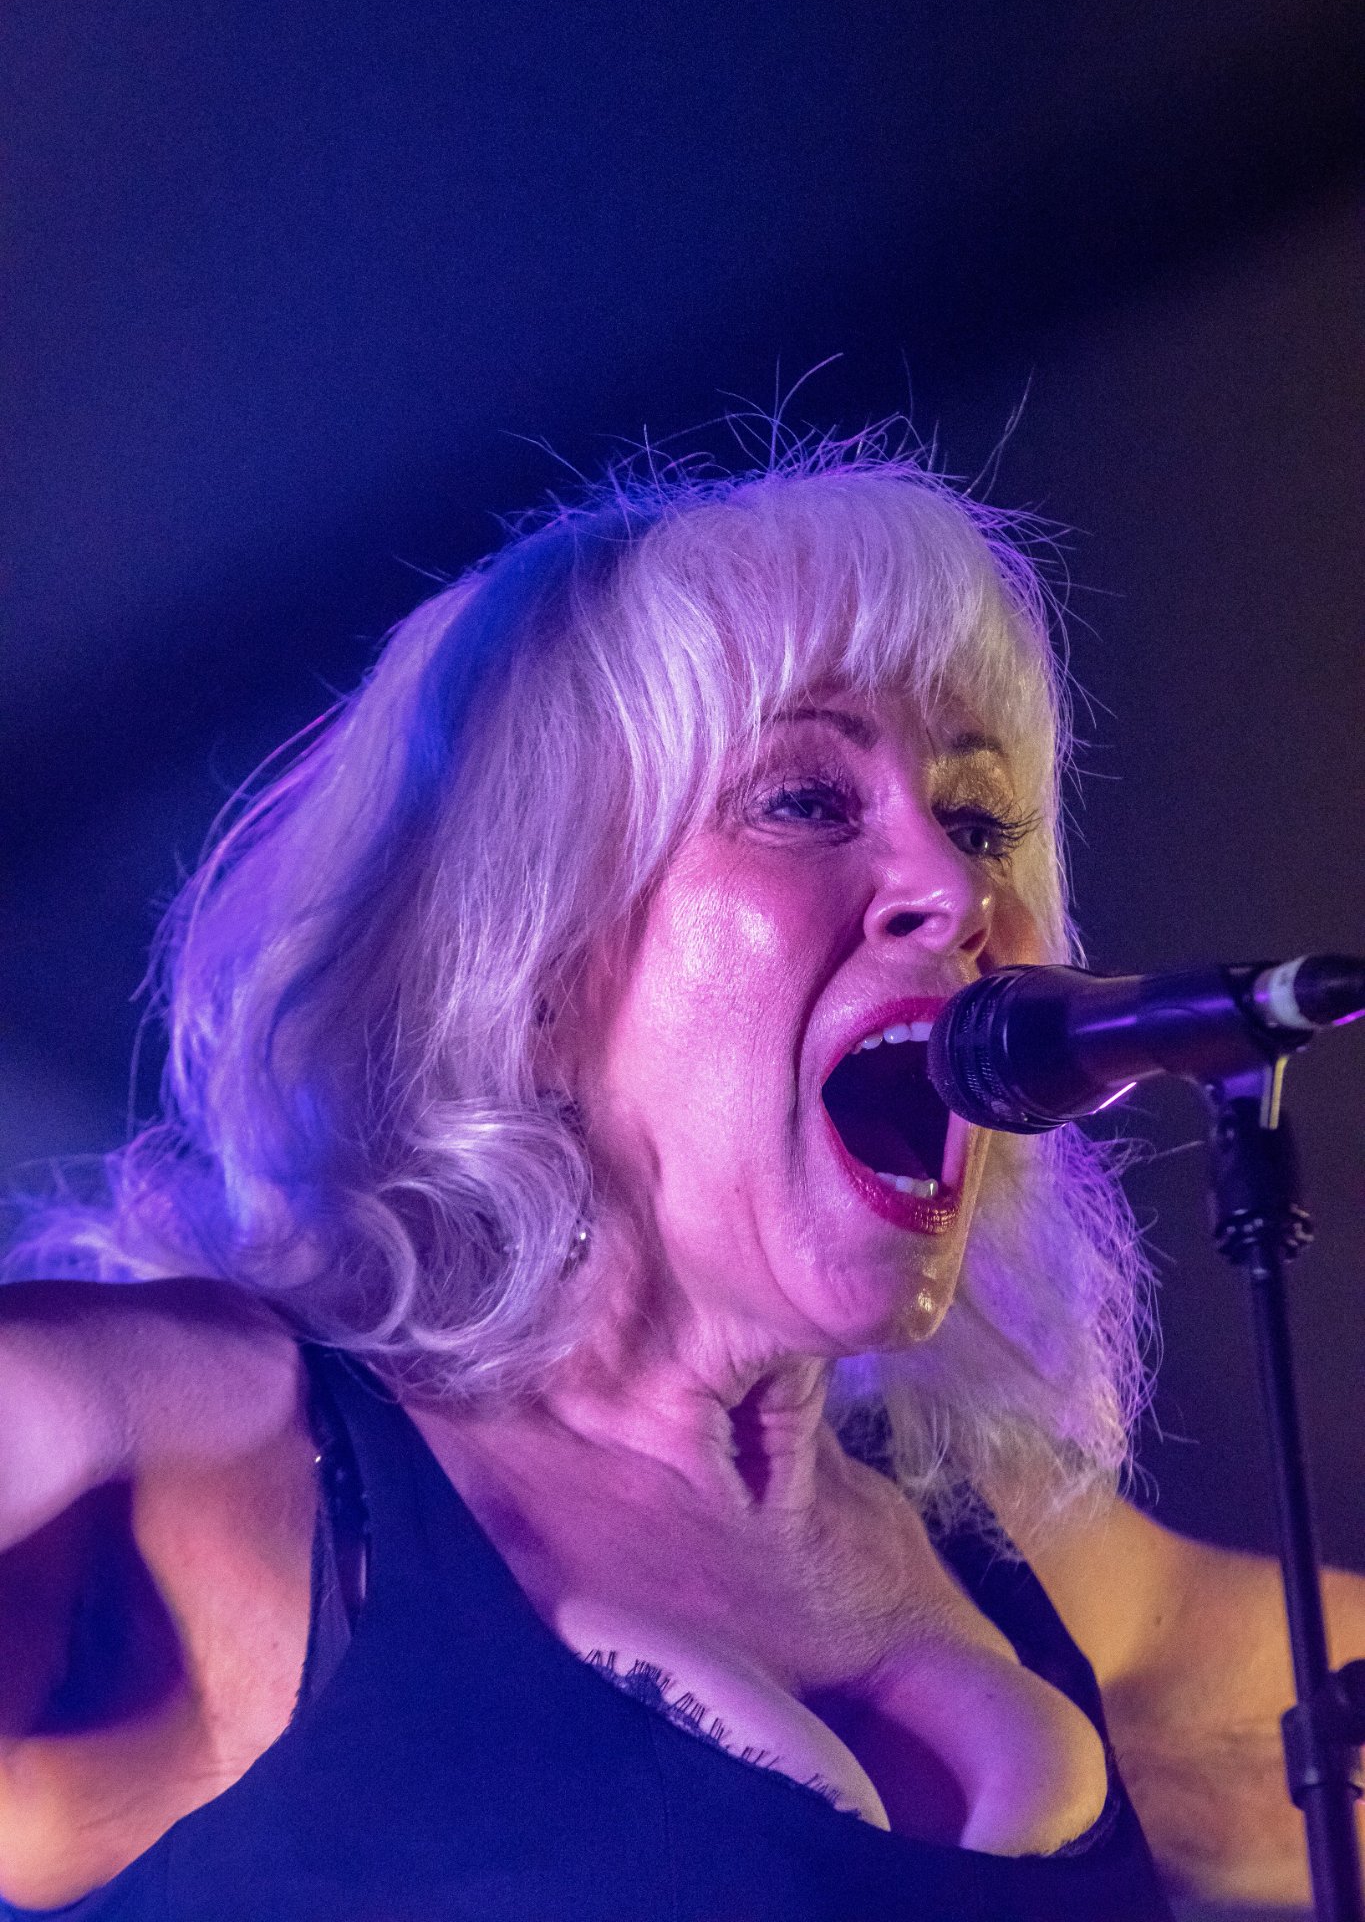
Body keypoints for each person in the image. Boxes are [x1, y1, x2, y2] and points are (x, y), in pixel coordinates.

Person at [0, 444, 1358, 1920]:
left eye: (978, 824)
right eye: (806, 801)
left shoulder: (1030, 1574)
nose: (955, 891)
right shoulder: (208, 1454)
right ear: (535, 960)